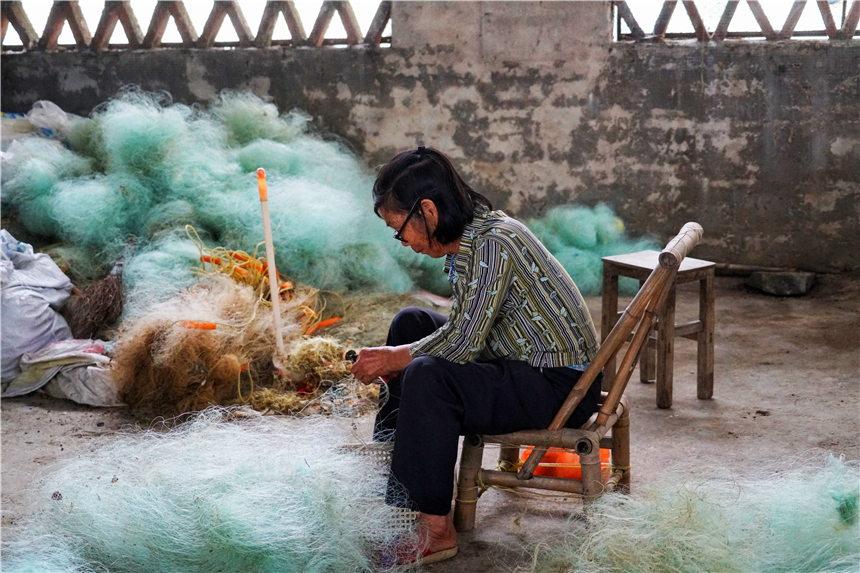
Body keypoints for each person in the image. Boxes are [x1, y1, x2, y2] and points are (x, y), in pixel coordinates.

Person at [351, 146, 602, 565]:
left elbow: (465, 343)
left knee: (427, 376)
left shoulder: (492, 245)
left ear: (427, 211)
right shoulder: (476, 236)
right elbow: (468, 330)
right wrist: (402, 351)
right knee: (411, 322)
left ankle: (435, 530)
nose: (404, 242)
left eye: (401, 230)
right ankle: (400, 468)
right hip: (523, 363)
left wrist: (396, 359)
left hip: (560, 387)